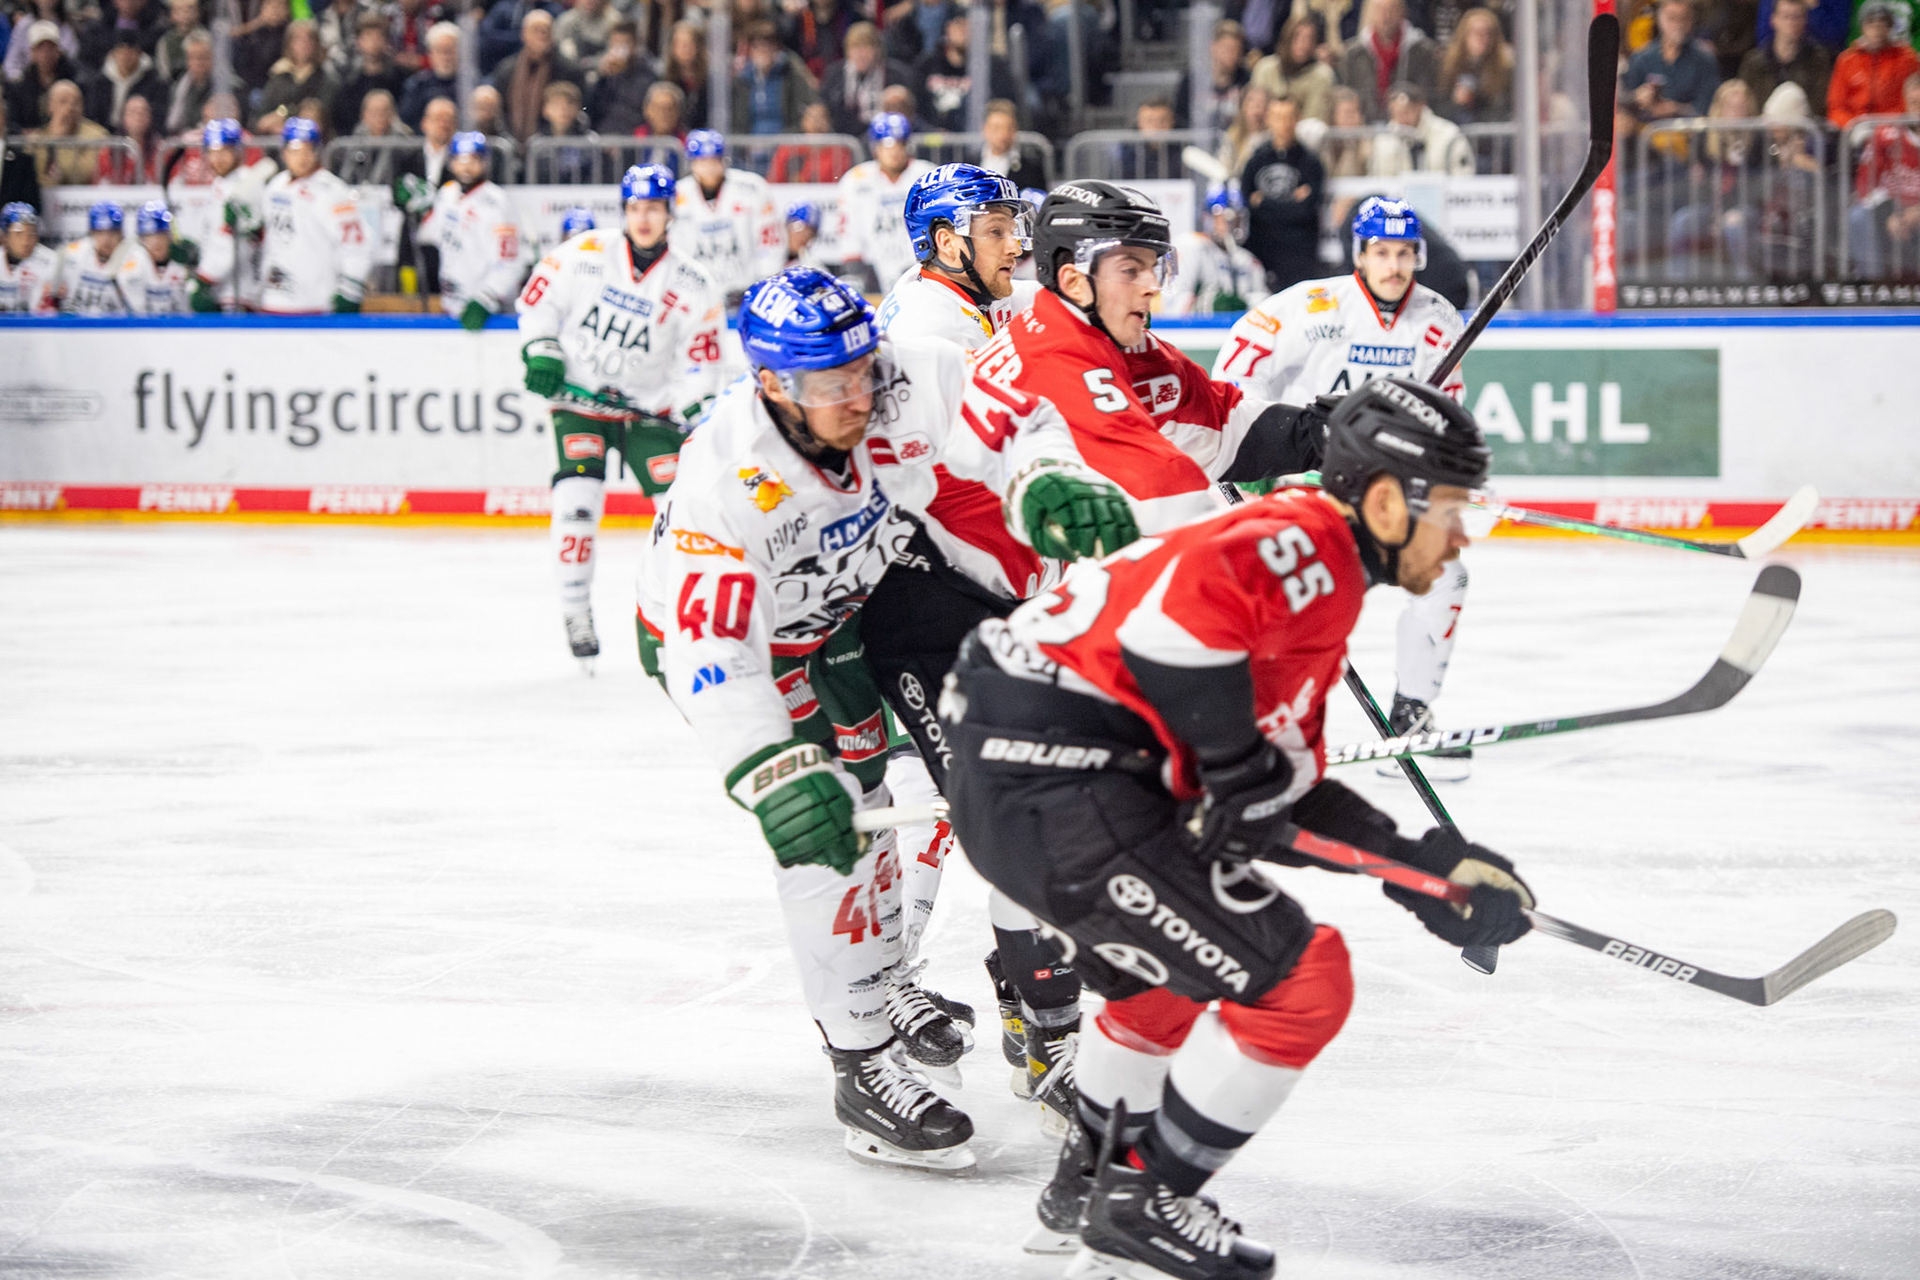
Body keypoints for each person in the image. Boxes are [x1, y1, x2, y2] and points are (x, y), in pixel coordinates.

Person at [937, 377, 1531, 1280]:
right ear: (1381, 500)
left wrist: (1418, 870)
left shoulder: (1310, 575)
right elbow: (1176, 639)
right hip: (1053, 782)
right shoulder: (1308, 542)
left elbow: (1279, 786)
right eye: (1449, 509)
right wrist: (1231, 773)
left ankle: (1084, 1189)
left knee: (1162, 984)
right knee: (1306, 979)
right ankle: (1144, 1198)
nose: (1459, 539)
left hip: (1042, 777)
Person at [631, 266, 993, 1170]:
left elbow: (1022, 410)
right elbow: (708, 651)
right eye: (830, 384)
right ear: (771, 385)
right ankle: (861, 1063)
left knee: (875, 804)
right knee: (826, 830)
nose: (857, 396)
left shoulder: (907, 372)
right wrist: (770, 769)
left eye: (861, 369)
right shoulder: (728, 480)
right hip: (746, 650)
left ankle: (883, 983)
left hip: (835, 623)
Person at [1212, 196, 1476, 779]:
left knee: (1445, 577)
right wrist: (1254, 451)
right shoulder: (1311, 306)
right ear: (1359, 253)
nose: (1394, 266)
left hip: (1389, 493)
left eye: (1405, 253)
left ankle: (1410, 717)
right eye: (1381, 252)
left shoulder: (1439, 317)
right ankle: (1252, 727)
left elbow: (1444, 410)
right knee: (1294, 599)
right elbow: (1232, 377)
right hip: (1309, 486)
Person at [517, 163, 726, 664]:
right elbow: (537, 303)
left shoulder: (695, 282)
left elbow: (702, 361)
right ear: (624, 211)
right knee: (577, 501)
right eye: (636, 208)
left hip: (647, 414)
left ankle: (684, 613)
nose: (645, 218)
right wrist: (542, 350)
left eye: (654, 208)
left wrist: (685, 404)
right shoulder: (585, 253)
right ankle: (575, 610)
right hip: (581, 404)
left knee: (680, 515)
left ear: (669, 214)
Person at [257, 116, 372, 315]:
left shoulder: (332, 190)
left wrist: (351, 289)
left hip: (314, 301)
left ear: (317, 151)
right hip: (273, 298)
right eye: (295, 150)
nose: (302, 157)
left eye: (308, 149)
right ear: (284, 152)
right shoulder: (275, 186)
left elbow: (356, 243)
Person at [421, 132, 523, 330]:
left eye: (473, 160)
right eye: (460, 160)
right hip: (450, 305)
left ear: (485, 163)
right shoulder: (446, 194)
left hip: (488, 310)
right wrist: (417, 206)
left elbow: (510, 262)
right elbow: (428, 234)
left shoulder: (497, 202)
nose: (466, 166)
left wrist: (486, 298)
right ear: (451, 163)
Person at [669, 129, 782, 308]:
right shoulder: (676, 196)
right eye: (702, 161)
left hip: (746, 292)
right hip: (697, 298)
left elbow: (771, 240)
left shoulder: (752, 188)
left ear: (724, 160)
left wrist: (764, 284)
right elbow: (672, 249)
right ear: (691, 164)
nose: (709, 167)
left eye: (714, 160)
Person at [179, 117, 277, 312]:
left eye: (225, 150)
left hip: (238, 292)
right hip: (222, 287)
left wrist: (204, 280)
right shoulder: (221, 184)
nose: (218, 158)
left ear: (238, 151)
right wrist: (195, 252)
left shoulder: (246, 187)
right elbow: (215, 235)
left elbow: (231, 245)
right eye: (213, 152)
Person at [834, 113, 936, 293]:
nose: (894, 151)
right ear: (876, 148)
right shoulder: (856, 180)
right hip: (873, 265)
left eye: (900, 144)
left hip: (920, 263)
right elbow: (849, 231)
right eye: (888, 145)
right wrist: (856, 268)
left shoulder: (927, 175)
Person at [1240, 93, 1326, 293]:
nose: (1284, 124)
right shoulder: (1256, 160)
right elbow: (1248, 203)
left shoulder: (1310, 163)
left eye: (1289, 117)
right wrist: (1290, 202)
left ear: (1297, 119)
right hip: (1263, 248)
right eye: (1278, 117)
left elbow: (1307, 209)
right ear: (1268, 119)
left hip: (1299, 252)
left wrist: (1265, 202)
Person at [1848, 70, 1920, 278]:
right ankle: (1873, 285)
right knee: (1857, 216)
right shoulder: (1885, 135)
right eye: (1914, 103)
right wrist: (1891, 213)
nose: (1918, 110)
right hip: (1889, 210)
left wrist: (1915, 214)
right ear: (1905, 102)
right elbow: (1865, 184)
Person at [1162, 184, 1265, 316]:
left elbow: (1266, 303)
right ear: (1208, 218)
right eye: (1226, 218)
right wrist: (1210, 305)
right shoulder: (1191, 246)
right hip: (1197, 333)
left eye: (1237, 218)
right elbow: (1173, 303)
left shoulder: (1247, 260)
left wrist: (1244, 304)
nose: (1232, 225)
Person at [1338, 0, 1439, 122]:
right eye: (1380, 9)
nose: (1385, 16)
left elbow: (1428, 95)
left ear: (1403, 12)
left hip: (1409, 126)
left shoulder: (1424, 52)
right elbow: (1346, 94)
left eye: (1391, 9)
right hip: (1365, 128)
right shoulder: (1353, 53)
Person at [1623, 0, 1720, 126]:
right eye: (1672, 18)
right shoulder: (1642, 58)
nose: (1678, 24)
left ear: (1691, 20)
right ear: (1659, 19)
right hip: (1646, 133)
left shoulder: (1704, 60)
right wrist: (1637, 98)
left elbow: (1708, 106)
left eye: (1684, 18)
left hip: (1690, 135)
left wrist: (1676, 109)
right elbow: (1624, 102)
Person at [1828, 0, 1920, 127]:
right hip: (1854, 130)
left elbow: (1911, 100)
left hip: (1896, 129)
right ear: (1862, 27)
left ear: (1890, 27)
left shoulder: (1907, 59)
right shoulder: (1847, 60)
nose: (1877, 30)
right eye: (1871, 24)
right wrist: (1851, 126)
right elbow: (1836, 107)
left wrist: (1884, 127)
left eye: (1883, 24)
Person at [1739, 0, 1832, 119]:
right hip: (1761, 131)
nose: (1791, 22)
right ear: (1774, 20)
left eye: (1796, 17)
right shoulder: (1753, 62)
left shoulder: (1818, 60)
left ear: (1805, 20)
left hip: (1802, 129)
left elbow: (1819, 104)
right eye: (1786, 16)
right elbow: (1747, 103)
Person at [820, 21, 911, 136]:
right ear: (847, 51)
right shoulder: (834, 75)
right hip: (843, 141)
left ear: (877, 50)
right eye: (855, 47)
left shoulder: (895, 75)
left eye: (866, 47)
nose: (861, 54)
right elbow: (824, 108)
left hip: (884, 140)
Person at [734, 17, 822, 135]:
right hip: (749, 146)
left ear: (776, 48)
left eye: (768, 45)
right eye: (757, 46)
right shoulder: (741, 81)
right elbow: (736, 123)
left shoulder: (791, 75)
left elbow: (807, 110)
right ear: (751, 50)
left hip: (785, 145)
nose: (763, 50)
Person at [1370, 81, 1475, 174]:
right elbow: (1377, 176)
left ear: (1420, 107)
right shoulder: (1384, 139)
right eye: (1396, 113)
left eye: (1407, 111)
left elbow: (1463, 174)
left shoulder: (1448, 133)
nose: (1402, 118)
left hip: (1440, 193)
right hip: (1396, 195)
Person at [1435, 6, 1514, 125]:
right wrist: (1456, 102)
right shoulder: (1446, 67)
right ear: (1464, 36)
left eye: (1488, 33)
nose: (1483, 39)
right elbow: (1437, 106)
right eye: (1476, 33)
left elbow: (1505, 108)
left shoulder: (1506, 69)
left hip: (1492, 133)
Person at [1251, 12, 1335, 122]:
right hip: (1265, 132)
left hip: (1301, 135)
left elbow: (1313, 121)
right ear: (1287, 37)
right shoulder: (1265, 68)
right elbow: (1254, 109)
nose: (1303, 44)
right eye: (1297, 37)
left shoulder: (1321, 76)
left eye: (1309, 39)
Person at [118, 199, 196, 314]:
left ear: (170, 237)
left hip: (183, 329)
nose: (156, 242)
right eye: (149, 236)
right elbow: (137, 310)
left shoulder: (183, 262)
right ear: (141, 239)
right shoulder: (134, 262)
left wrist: (194, 268)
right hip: (144, 329)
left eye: (161, 235)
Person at [59, 201, 136, 315]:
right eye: (100, 233)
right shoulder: (75, 254)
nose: (106, 240)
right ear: (92, 233)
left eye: (112, 233)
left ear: (121, 234)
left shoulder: (132, 259)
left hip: (116, 328)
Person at [84, 31, 168, 134]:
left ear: (139, 53)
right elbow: (92, 114)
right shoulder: (100, 82)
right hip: (105, 133)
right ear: (114, 53)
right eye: (121, 50)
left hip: (140, 135)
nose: (126, 55)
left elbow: (158, 117)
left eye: (131, 50)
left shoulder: (155, 83)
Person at [584, 19, 654, 134]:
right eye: (615, 43)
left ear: (636, 45)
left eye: (625, 43)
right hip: (602, 136)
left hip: (633, 137)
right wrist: (600, 78)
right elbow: (589, 109)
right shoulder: (602, 73)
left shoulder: (647, 74)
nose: (619, 49)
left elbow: (639, 113)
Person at [0, 202, 62, 314]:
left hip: (33, 329)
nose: (26, 241)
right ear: (4, 236)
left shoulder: (50, 261)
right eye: (19, 234)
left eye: (32, 233)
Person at [398, 21, 462, 129]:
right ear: (430, 54)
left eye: (450, 50)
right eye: (440, 51)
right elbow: (407, 121)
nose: (445, 57)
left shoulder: (470, 84)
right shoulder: (416, 85)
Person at [978, 97, 1048, 188]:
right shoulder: (970, 164)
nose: (1003, 135)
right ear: (985, 129)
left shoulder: (1031, 168)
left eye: (1008, 128)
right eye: (996, 128)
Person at [784, 200, 827, 268]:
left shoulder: (811, 265)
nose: (804, 237)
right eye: (799, 228)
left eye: (811, 233)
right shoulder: (769, 256)